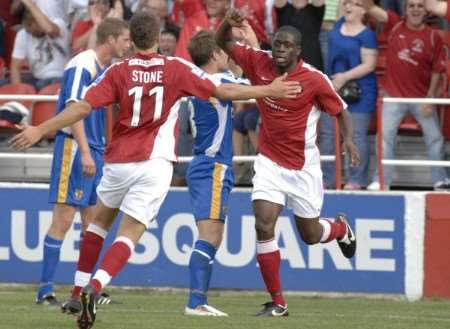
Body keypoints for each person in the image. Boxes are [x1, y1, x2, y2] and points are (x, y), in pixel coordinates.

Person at [10, 11, 300, 328]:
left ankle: (78, 289)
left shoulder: (118, 71)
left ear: (131, 39)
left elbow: (81, 106)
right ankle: (95, 287)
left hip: (118, 161)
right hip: (154, 164)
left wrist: (41, 129)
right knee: (130, 233)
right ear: (158, 36)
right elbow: (222, 90)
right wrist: (267, 90)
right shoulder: (175, 68)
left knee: (98, 224)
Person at [216, 10, 360, 316]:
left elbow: (341, 111)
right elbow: (223, 42)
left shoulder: (314, 79)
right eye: (277, 43)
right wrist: (227, 22)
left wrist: (348, 140)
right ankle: (278, 302)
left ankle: (338, 229)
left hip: (303, 166)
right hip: (269, 161)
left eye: (287, 45)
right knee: (263, 223)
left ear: (298, 51)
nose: (280, 49)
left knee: (309, 235)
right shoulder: (258, 61)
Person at [33, 17, 130, 306]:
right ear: (111, 40)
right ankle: (45, 290)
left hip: (95, 149)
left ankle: (87, 287)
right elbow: (73, 108)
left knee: (93, 223)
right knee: (63, 220)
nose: (128, 44)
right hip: (75, 149)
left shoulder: (102, 67)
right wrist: (86, 151)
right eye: (124, 39)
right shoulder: (82, 65)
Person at [184, 30, 250, 316]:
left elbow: (239, 77)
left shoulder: (200, 81)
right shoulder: (218, 82)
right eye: (223, 51)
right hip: (213, 167)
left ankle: (199, 300)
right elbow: (250, 87)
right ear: (213, 55)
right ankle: (196, 302)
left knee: (213, 236)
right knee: (210, 237)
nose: (228, 55)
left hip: (205, 164)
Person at [362, 0, 450, 191]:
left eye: (420, 5)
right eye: (412, 6)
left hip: (420, 99)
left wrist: (430, 98)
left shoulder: (433, 36)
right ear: (405, 9)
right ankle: (382, 180)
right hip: (394, 97)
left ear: (425, 11)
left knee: (435, 137)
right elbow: (369, 8)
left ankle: (440, 180)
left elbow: (437, 71)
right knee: (383, 136)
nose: (416, 9)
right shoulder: (394, 24)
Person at [320, 0, 378, 190]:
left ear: (363, 10)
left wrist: (344, 77)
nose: (349, 6)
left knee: (357, 136)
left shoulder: (367, 34)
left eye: (355, 3)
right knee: (328, 135)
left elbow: (369, 64)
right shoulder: (337, 25)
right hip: (334, 89)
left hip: (361, 92)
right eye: (346, 2)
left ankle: (357, 179)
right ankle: (327, 178)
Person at [10, 0, 70, 90]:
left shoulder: (59, 24)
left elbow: (50, 30)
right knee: (3, 84)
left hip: (60, 77)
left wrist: (30, 4)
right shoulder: (23, 34)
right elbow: (15, 67)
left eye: (31, 24)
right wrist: (18, 92)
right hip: (37, 79)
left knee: (47, 84)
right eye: (27, 26)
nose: (29, 30)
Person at [275, 0, 325, 71]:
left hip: (311, 63)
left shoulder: (315, 10)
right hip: (287, 63)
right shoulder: (284, 10)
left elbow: (319, 2)